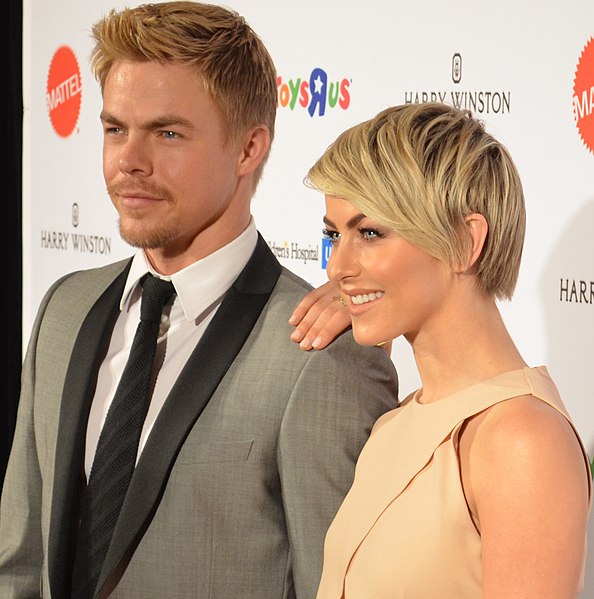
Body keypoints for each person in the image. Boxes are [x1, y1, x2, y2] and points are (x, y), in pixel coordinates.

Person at [0, 3, 398, 598]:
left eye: (167, 133)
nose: (128, 162)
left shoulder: (320, 352)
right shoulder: (65, 308)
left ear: (248, 148)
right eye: (115, 129)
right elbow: (21, 565)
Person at [303, 102, 592, 598]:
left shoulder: (521, 441)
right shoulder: (399, 422)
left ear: (464, 240)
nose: (337, 267)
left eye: (370, 233)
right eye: (334, 234)